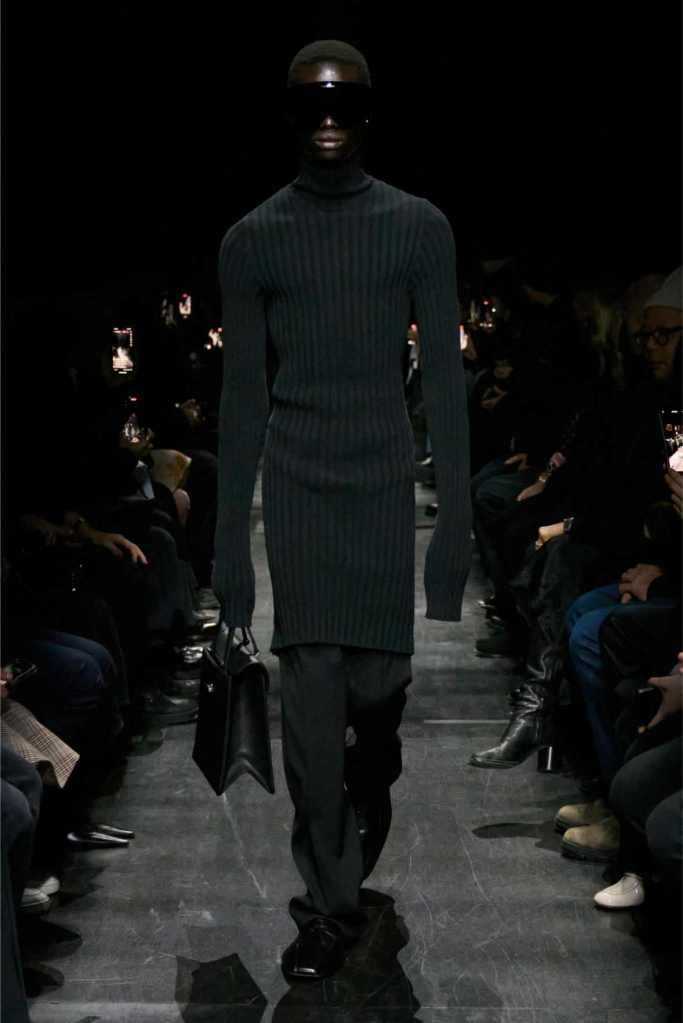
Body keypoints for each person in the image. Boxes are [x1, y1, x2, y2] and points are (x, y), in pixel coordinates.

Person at [212, 39, 471, 981]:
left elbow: (443, 383)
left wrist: (453, 538)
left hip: (379, 487)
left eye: (345, 101)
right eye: (311, 102)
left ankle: (369, 778)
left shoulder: (417, 226)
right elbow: (242, 396)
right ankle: (327, 905)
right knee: (313, 718)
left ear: (368, 112)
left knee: (373, 695)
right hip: (298, 488)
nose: (328, 117)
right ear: (290, 114)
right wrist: (228, 555)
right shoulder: (252, 239)